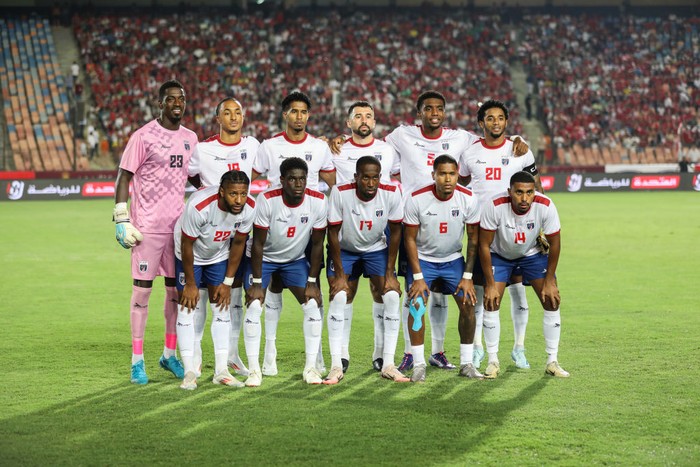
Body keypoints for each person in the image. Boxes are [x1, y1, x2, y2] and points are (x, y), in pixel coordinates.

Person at [383, 90, 529, 372]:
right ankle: (410, 354)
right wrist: (337, 141)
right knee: (415, 295)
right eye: (428, 109)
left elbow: (492, 138)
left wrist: (516, 140)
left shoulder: (461, 138)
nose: (434, 113)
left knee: (444, 297)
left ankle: (439, 352)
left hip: (449, 231)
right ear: (420, 112)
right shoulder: (401, 135)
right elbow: (372, 145)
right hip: (414, 222)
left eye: (439, 108)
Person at [113, 79, 197, 385]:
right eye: (171, 98)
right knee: (142, 294)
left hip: (178, 230)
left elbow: (198, 179)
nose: (177, 102)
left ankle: (168, 354)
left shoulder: (191, 138)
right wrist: (121, 216)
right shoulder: (143, 136)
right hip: (147, 229)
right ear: (159, 104)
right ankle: (137, 362)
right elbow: (124, 175)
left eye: (182, 98)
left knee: (175, 293)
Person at [251, 91, 336, 377]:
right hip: (274, 218)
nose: (299, 117)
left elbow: (333, 181)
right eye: (294, 112)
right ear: (285, 114)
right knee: (270, 290)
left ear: (308, 116)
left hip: (304, 224)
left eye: (304, 112)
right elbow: (247, 177)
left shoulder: (319, 147)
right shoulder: (269, 146)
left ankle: (317, 356)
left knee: (313, 297)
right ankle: (268, 353)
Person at [458, 99, 543, 372]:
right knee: (485, 293)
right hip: (484, 234)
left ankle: (519, 347)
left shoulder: (520, 151)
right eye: (490, 118)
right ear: (481, 123)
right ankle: (480, 348)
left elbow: (536, 189)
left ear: (507, 122)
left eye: (500, 118)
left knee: (519, 292)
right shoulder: (470, 154)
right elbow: (461, 187)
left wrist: (538, 224)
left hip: (517, 232)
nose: (496, 123)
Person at [186, 97, 260, 378]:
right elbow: (193, 177)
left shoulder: (253, 145)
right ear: (217, 118)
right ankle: (196, 355)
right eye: (226, 113)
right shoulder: (203, 149)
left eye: (237, 112)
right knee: (203, 294)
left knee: (234, 292)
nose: (233, 117)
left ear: (244, 117)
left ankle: (231, 354)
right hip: (210, 228)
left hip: (239, 227)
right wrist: (209, 194)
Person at [243, 157, 327, 387]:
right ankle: (254, 370)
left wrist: (312, 281)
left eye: (302, 179)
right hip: (264, 258)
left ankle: (310, 368)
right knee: (253, 306)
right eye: (292, 179)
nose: (298, 184)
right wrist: (258, 283)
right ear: (282, 181)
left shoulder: (319, 201)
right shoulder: (267, 200)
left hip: (294, 260)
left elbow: (318, 244)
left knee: (312, 304)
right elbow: (258, 244)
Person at [478, 171, 569, 378]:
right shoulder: (495, 206)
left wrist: (550, 280)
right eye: (519, 192)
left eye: (529, 193)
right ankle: (492, 361)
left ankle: (552, 361)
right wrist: (490, 283)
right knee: (492, 301)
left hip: (531, 254)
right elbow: (483, 244)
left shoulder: (545, 205)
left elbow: (555, 244)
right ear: (510, 191)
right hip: (499, 255)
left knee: (551, 300)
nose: (524, 198)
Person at [325, 156, 408, 384]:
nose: (370, 183)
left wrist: (390, 272)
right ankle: (337, 362)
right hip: (345, 249)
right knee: (340, 296)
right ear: (356, 177)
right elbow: (332, 233)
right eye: (365, 178)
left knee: (391, 296)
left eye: (374, 178)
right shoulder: (340, 192)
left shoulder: (391, 192)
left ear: (380, 178)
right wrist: (341, 274)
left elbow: (396, 232)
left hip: (375, 249)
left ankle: (387, 362)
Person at [331, 101, 400, 373]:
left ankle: (383, 355)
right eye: (358, 115)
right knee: (344, 293)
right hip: (347, 228)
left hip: (376, 234)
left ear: (375, 121)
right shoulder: (335, 149)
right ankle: (341, 357)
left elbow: (396, 179)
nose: (364, 119)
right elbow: (324, 175)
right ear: (348, 123)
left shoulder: (387, 149)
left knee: (383, 292)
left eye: (369, 115)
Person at [403, 155, 483, 382]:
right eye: (442, 174)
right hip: (424, 260)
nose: (448, 179)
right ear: (433, 175)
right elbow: (409, 239)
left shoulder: (468, 198)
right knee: (417, 306)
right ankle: (419, 365)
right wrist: (418, 277)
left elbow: (474, 240)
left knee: (468, 302)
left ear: (458, 175)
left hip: (452, 259)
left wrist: (467, 276)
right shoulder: (417, 198)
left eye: (452, 174)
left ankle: (467, 363)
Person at [174, 170, 255, 390]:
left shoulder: (249, 208)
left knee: (221, 306)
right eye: (233, 194)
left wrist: (228, 283)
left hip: (218, 255)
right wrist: (191, 284)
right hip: (188, 254)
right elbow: (186, 244)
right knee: (187, 307)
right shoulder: (199, 207)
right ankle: (189, 372)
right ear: (221, 192)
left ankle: (221, 371)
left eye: (243, 194)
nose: (239, 200)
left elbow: (238, 244)